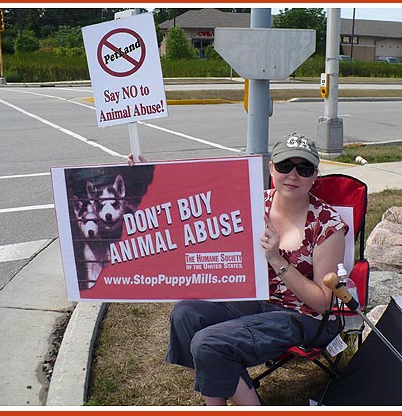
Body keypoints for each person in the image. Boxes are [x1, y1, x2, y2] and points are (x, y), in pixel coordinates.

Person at [128, 133, 348, 405]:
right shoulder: (253, 203)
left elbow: (323, 303)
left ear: (315, 175)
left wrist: (277, 259)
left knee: (209, 344)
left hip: (303, 316)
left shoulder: (327, 224)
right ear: (271, 169)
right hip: (255, 301)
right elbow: (187, 208)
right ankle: (223, 388)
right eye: (284, 166)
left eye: (303, 169)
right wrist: (145, 179)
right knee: (186, 314)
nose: (293, 175)